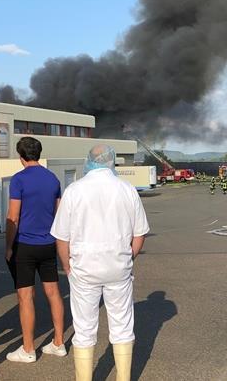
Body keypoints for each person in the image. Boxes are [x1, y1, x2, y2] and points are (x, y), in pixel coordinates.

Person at [51, 145, 150, 381]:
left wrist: (67, 266)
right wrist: (129, 257)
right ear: (112, 161)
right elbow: (139, 234)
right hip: (118, 267)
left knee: (84, 329)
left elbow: (62, 237)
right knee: (122, 326)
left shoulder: (74, 190)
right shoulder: (127, 189)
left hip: (84, 268)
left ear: (89, 161)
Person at [4, 137, 66, 363]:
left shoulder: (19, 179)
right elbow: (59, 213)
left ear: (20, 156)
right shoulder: (52, 178)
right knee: (53, 292)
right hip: (48, 243)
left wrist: (8, 247)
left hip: (26, 245)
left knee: (25, 296)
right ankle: (59, 342)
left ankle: (28, 349)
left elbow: (13, 216)